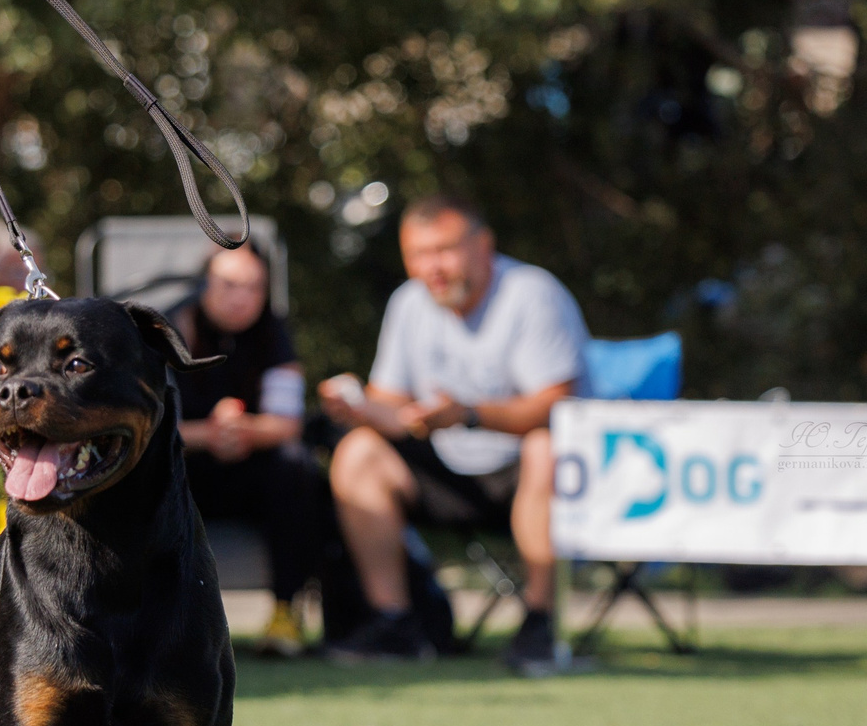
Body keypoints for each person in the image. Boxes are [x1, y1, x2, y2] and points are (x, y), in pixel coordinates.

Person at [319, 194, 587, 672]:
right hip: (445, 467)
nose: (432, 268)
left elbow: (557, 405)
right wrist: (357, 406)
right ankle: (394, 621)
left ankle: (540, 623)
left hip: (525, 473)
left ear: (483, 245)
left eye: (443, 250)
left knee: (546, 445)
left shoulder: (532, 294)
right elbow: (390, 399)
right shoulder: (409, 303)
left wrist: (467, 414)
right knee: (357, 451)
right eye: (418, 254)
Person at [170, 241, 328, 655]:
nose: (242, 297)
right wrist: (208, 434)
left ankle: (285, 612)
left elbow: (287, 424)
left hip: (249, 472)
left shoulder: (273, 333)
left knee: (296, 467)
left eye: (255, 287)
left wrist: (242, 431)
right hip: (183, 471)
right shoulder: (171, 330)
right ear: (203, 284)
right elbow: (143, 428)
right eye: (230, 284)